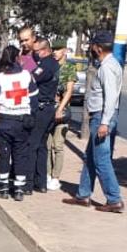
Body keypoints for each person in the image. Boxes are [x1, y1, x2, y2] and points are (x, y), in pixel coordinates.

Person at [62, 30, 124, 213]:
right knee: (90, 157)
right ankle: (83, 195)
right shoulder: (110, 64)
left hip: (102, 117)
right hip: (100, 116)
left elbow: (111, 96)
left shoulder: (107, 68)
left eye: (92, 46)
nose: (91, 48)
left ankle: (114, 199)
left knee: (101, 160)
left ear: (98, 48)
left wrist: (104, 122)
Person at [0, 44, 36, 200]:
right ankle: (19, 189)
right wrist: (32, 116)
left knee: (4, 155)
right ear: (18, 58)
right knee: (20, 155)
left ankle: (3, 188)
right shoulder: (26, 75)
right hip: (22, 121)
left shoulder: (0, 77)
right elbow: (35, 98)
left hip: (5, 120)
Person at [28, 38, 59, 193]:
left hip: (42, 109)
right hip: (48, 108)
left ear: (45, 50)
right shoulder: (52, 63)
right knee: (41, 146)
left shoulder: (46, 65)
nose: (35, 54)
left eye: (37, 51)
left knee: (32, 144)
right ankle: (41, 182)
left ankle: (29, 182)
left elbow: (32, 78)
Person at [46, 43, 76, 190]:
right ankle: (46, 174)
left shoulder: (69, 68)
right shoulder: (50, 65)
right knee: (46, 144)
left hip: (61, 112)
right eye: (53, 49)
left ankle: (55, 177)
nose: (55, 52)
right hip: (48, 109)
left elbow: (69, 91)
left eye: (58, 50)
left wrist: (60, 108)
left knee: (57, 145)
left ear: (64, 50)